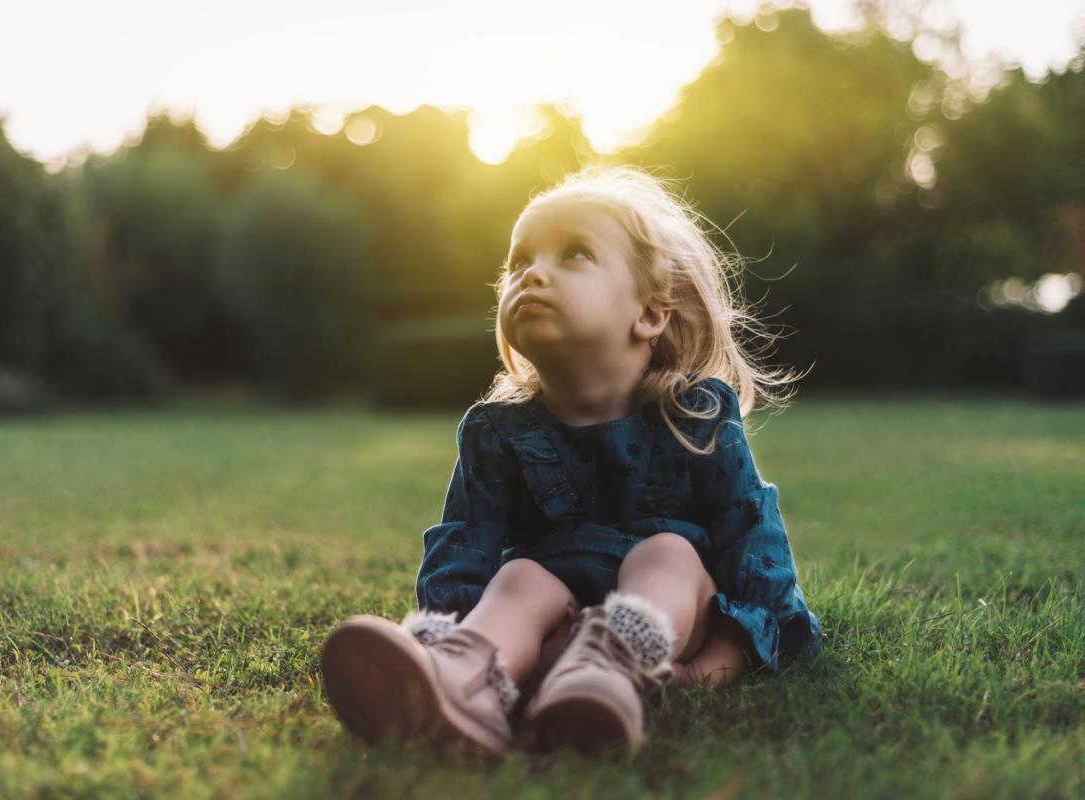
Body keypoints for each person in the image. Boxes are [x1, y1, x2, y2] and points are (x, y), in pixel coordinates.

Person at [320, 164, 823, 759]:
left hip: (672, 624)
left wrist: (719, 662)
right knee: (518, 577)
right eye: (517, 262)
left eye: (575, 253)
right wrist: (446, 621)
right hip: (552, 623)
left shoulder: (695, 414)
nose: (532, 272)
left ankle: (607, 673)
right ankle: (457, 679)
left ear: (650, 315)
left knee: (667, 552)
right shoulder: (498, 431)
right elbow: (464, 543)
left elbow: (751, 534)